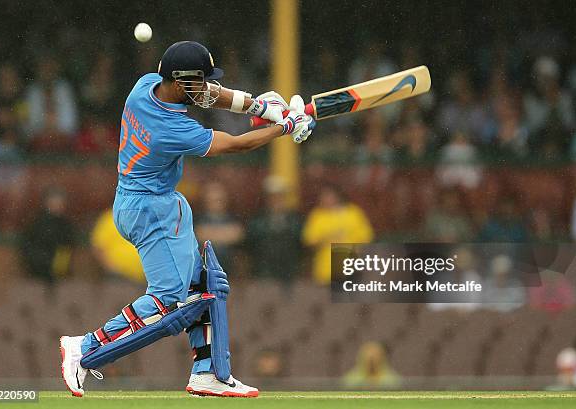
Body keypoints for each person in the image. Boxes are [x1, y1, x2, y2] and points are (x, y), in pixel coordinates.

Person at [59, 41, 315, 398]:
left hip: (140, 201)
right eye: (200, 81)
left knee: (206, 285)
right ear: (180, 82)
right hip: (153, 210)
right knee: (168, 301)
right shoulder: (172, 129)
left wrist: (260, 106)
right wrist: (285, 128)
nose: (206, 87)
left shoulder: (144, 86)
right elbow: (237, 145)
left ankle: (209, 373)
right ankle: (85, 348)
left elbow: (211, 94)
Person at [302, 185, 374, 284]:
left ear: (337, 197)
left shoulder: (353, 213)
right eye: (323, 197)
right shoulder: (317, 215)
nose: (326, 200)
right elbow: (310, 240)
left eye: (329, 196)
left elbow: (366, 236)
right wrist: (326, 239)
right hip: (326, 271)